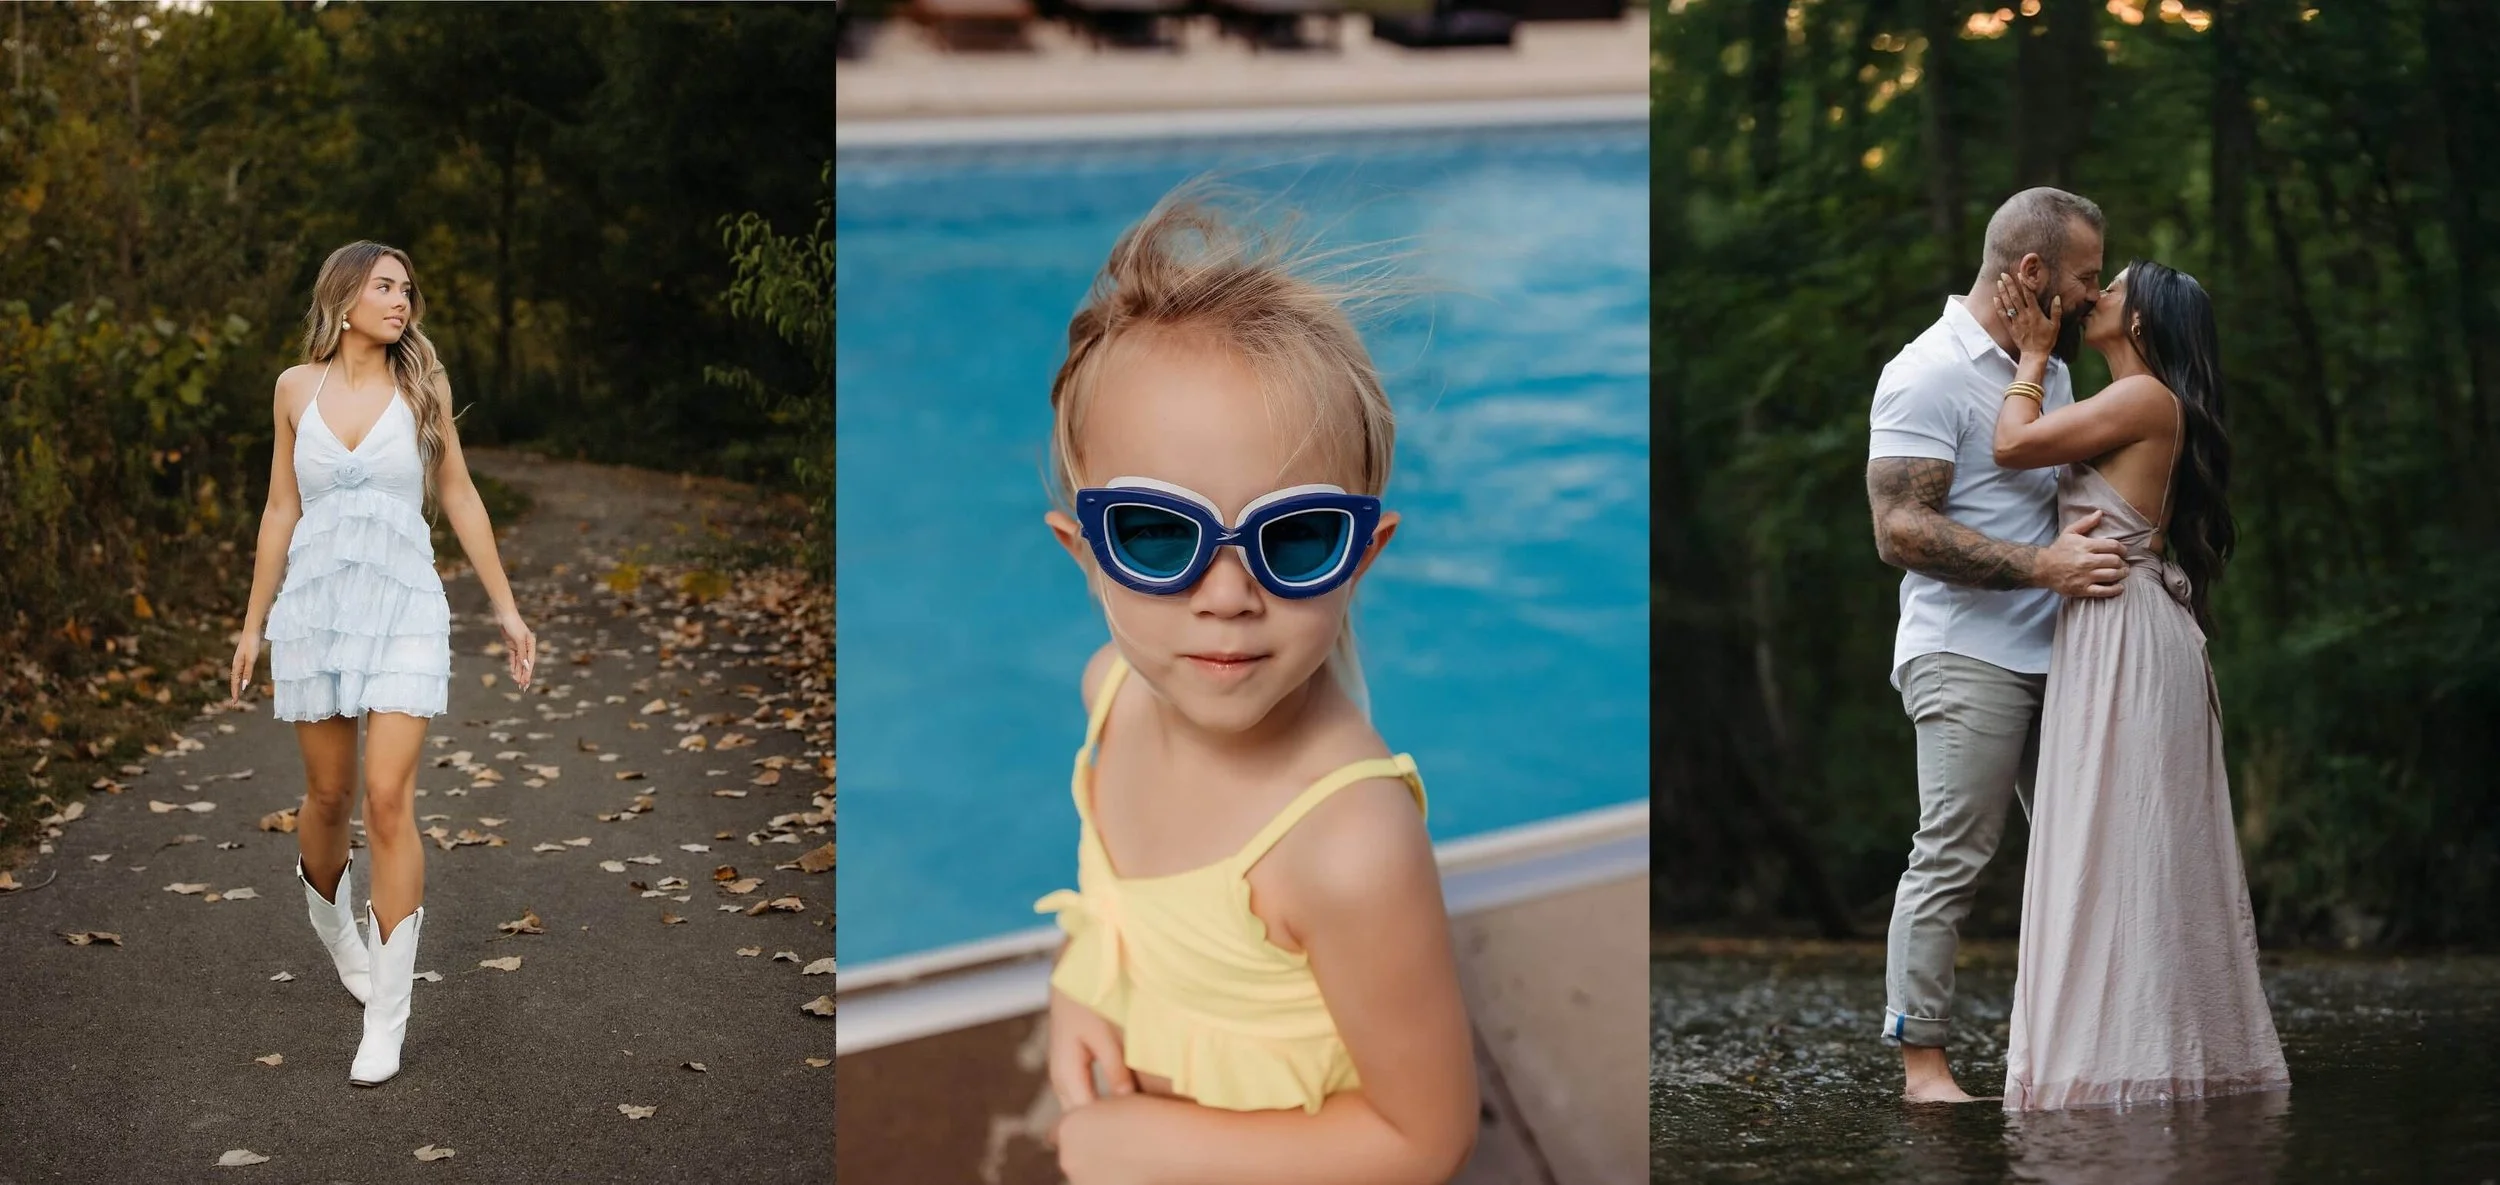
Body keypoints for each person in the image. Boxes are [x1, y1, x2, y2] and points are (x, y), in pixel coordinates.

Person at [1029, 189, 1479, 1183]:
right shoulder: (1111, 690)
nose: (1226, 594)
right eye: (1157, 533)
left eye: (1296, 537)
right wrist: (1088, 986)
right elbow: (1115, 896)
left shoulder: (1346, 845)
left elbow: (1426, 1138)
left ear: (1360, 556)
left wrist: (1142, 1145)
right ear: (1085, 553)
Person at [227, 241, 538, 1087]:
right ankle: (339, 934)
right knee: (328, 795)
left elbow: (459, 494)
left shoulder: (421, 386)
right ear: (344, 295)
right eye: (385, 285)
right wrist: (252, 625)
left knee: (388, 795)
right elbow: (280, 508)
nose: (402, 300)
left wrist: (506, 608)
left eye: (407, 288)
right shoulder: (296, 388)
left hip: (405, 606)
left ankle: (387, 1017)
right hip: (316, 611)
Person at [1990, 259, 2291, 1110]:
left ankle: (2132, 1061)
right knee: (2117, 837)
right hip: (2114, 626)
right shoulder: (2139, 401)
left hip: (2123, 633)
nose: (2095, 297)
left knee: (2123, 840)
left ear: (2145, 324)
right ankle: (2139, 1052)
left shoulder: (2146, 396)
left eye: (2112, 289)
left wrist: (2030, 357)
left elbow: (2011, 446)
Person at [1863, 187, 2130, 1103]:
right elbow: (1899, 529)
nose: (2096, 295)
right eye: (2087, 276)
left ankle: (2075, 1044)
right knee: (1954, 850)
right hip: (1963, 650)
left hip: (2061, 651)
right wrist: (2046, 568)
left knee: (2083, 848)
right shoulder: (1927, 371)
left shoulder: (2044, 366)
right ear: (2031, 271)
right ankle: (1922, 1063)